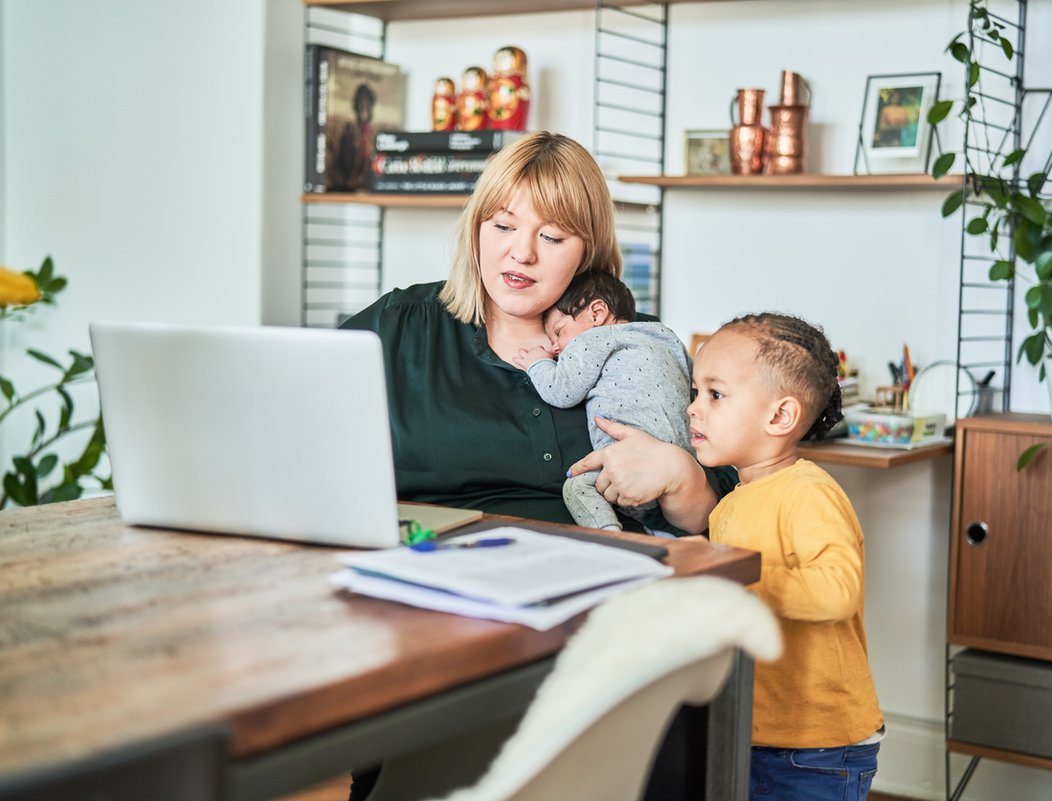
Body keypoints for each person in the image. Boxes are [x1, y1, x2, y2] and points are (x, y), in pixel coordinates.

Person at [339, 130, 734, 800]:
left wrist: (681, 474)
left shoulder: (635, 349)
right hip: (440, 620)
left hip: (602, 618)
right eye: (502, 225)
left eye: (552, 237)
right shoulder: (402, 327)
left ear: (588, 252)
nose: (520, 253)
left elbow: (716, 509)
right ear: (476, 228)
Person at [687, 312, 884, 801]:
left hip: (816, 749)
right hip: (753, 732)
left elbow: (837, 591)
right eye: (695, 392)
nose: (694, 409)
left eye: (715, 394)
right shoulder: (732, 502)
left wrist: (729, 570)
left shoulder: (808, 493)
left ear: (780, 416)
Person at [513, 269, 693, 531]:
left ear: (596, 313)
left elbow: (561, 391)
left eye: (559, 332)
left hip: (627, 465)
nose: (555, 347)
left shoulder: (591, 339)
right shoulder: (665, 337)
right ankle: (660, 532)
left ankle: (608, 534)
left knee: (576, 486)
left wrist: (537, 362)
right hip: (677, 464)